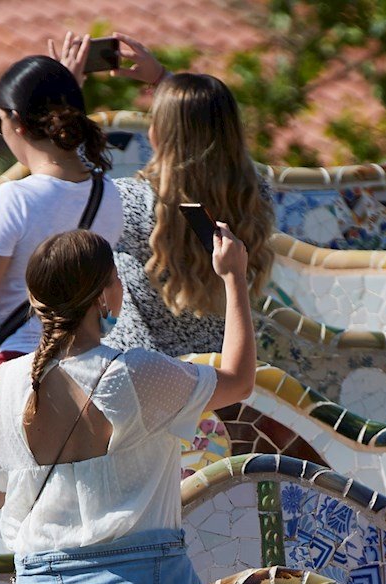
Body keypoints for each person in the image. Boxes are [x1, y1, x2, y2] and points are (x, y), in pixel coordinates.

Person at [0, 226, 259, 584]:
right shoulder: (137, 374)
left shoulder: (7, 383)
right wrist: (234, 276)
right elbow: (239, 381)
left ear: (35, 302)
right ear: (105, 295)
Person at [0, 55, 124, 429]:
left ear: (15, 121)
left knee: (3, 489)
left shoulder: (14, 199)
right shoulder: (108, 193)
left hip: (15, 373)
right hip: (83, 369)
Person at [51, 34, 275, 356]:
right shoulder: (255, 196)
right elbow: (214, 135)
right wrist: (164, 80)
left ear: (158, 135)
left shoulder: (133, 205)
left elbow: (68, 168)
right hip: (215, 374)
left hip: (143, 375)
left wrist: (65, 99)